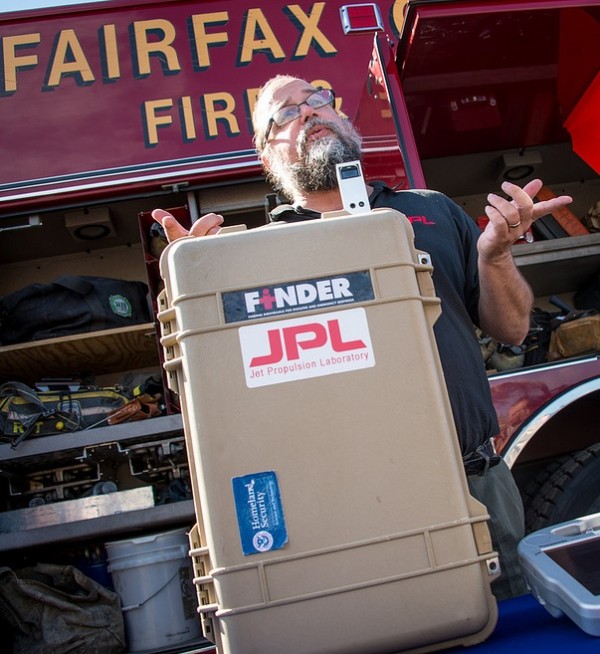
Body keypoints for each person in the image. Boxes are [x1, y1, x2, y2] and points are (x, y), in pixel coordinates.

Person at [153, 75, 573, 600]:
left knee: (513, 625)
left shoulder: (434, 211)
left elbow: (511, 330)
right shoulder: (255, 257)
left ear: (345, 120)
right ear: (267, 154)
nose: (310, 112)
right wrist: (196, 288)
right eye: (286, 113)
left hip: (476, 481)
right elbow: (224, 395)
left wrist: (497, 256)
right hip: (350, 498)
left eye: (319, 100)